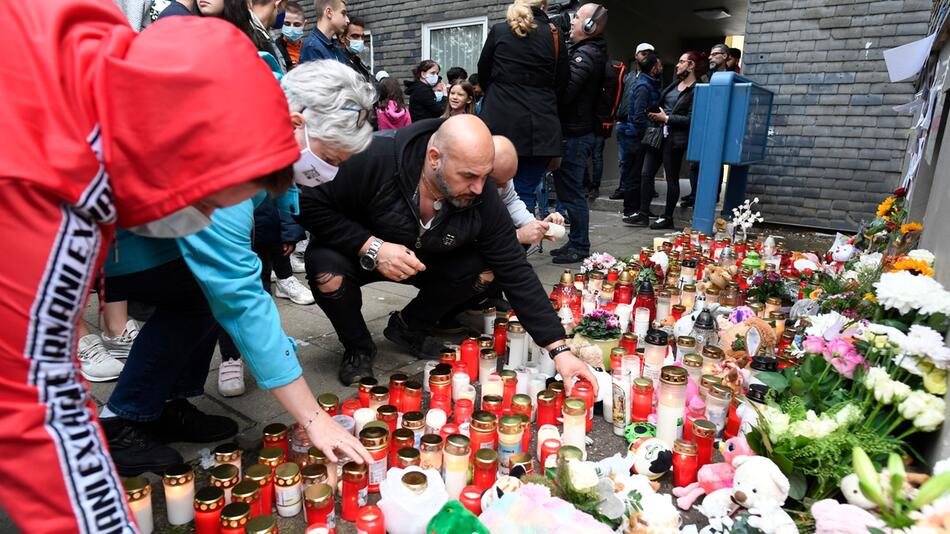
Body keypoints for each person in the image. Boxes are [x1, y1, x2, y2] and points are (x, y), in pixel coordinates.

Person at [0, 2, 304, 530]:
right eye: (208, 204)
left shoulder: (113, 63)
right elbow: (38, 406)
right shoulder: (57, 180)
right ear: (187, 155)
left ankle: (156, 406)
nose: (202, 221)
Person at [101, 60, 377, 476]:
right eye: (329, 158)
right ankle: (122, 422)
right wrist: (313, 419)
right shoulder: (226, 160)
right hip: (114, 237)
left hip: (157, 214)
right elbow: (240, 297)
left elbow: (283, 181)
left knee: (197, 296)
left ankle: (162, 403)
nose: (329, 173)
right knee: (201, 296)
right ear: (296, 123)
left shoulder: (266, 97)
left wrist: (286, 206)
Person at [296, 115, 598, 393]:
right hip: (361, 252)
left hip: (429, 258)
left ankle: (408, 326)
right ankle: (358, 347)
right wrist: (372, 247)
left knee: (486, 269)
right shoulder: (374, 158)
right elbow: (308, 204)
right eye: (469, 176)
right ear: (434, 159)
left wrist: (559, 350)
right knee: (326, 271)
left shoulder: (482, 193)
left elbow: (515, 267)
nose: (479, 189)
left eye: (485, 177)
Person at [477, 0, 567, 217]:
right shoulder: (554, 35)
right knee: (525, 189)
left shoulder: (500, 31)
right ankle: (519, 246)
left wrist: (500, 93)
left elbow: (483, 71)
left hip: (500, 120)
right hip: (539, 127)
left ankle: (493, 242)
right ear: (544, 7)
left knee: (489, 187)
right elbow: (563, 81)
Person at [550, 3, 608, 264]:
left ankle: (580, 246)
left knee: (572, 192)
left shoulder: (586, 55)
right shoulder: (589, 51)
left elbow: (566, 92)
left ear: (589, 26)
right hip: (575, 131)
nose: (571, 22)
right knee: (568, 191)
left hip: (575, 133)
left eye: (577, 18)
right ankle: (575, 242)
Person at [626, 51, 703, 230]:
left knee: (672, 179)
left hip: (674, 139)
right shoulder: (674, 84)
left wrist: (666, 118)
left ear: (691, 66)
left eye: (682, 62)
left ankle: (668, 217)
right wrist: (655, 114)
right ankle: (643, 214)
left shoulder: (697, 89)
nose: (677, 65)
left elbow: (692, 119)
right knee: (646, 174)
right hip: (658, 136)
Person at [610, 42, 655, 200]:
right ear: (636, 55)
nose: (646, 56)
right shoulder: (627, 76)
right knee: (624, 160)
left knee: (642, 162)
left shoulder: (652, 78)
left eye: (649, 54)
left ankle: (643, 190)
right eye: (643, 53)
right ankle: (623, 188)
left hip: (640, 126)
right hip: (623, 123)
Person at [620, 53, 662, 220]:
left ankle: (640, 209)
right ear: (653, 69)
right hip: (637, 138)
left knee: (640, 174)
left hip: (639, 136)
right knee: (634, 174)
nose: (661, 68)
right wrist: (649, 131)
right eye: (658, 65)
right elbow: (638, 115)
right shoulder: (644, 86)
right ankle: (631, 210)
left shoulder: (649, 84)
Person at [275, 1, 308, 70]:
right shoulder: (276, 49)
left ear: (304, 25)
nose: (291, 28)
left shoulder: (309, 48)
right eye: (287, 24)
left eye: (297, 24)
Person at [341, 17, 373, 81]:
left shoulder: (357, 61)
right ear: (343, 38)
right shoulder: (339, 62)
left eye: (362, 36)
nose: (360, 40)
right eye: (355, 36)